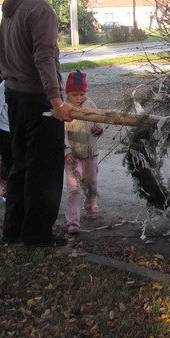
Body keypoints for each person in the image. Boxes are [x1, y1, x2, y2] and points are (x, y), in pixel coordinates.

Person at [0, 0, 75, 247]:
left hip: (15, 96)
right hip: (37, 100)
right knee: (44, 170)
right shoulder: (40, 10)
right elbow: (44, 57)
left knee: (20, 165)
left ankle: (13, 230)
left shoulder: (12, 8)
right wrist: (56, 102)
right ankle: (37, 235)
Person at [62, 70, 104, 234]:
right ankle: (73, 220)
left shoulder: (90, 105)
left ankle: (91, 208)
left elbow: (98, 123)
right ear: (68, 93)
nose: (79, 98)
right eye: (75, 94)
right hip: (73, 156)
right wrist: (66, 151)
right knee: (74, 188)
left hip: (91, 154)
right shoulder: (64, 109)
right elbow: (60, 133)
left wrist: (98, 129)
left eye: (81, 94)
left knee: (91, 184)